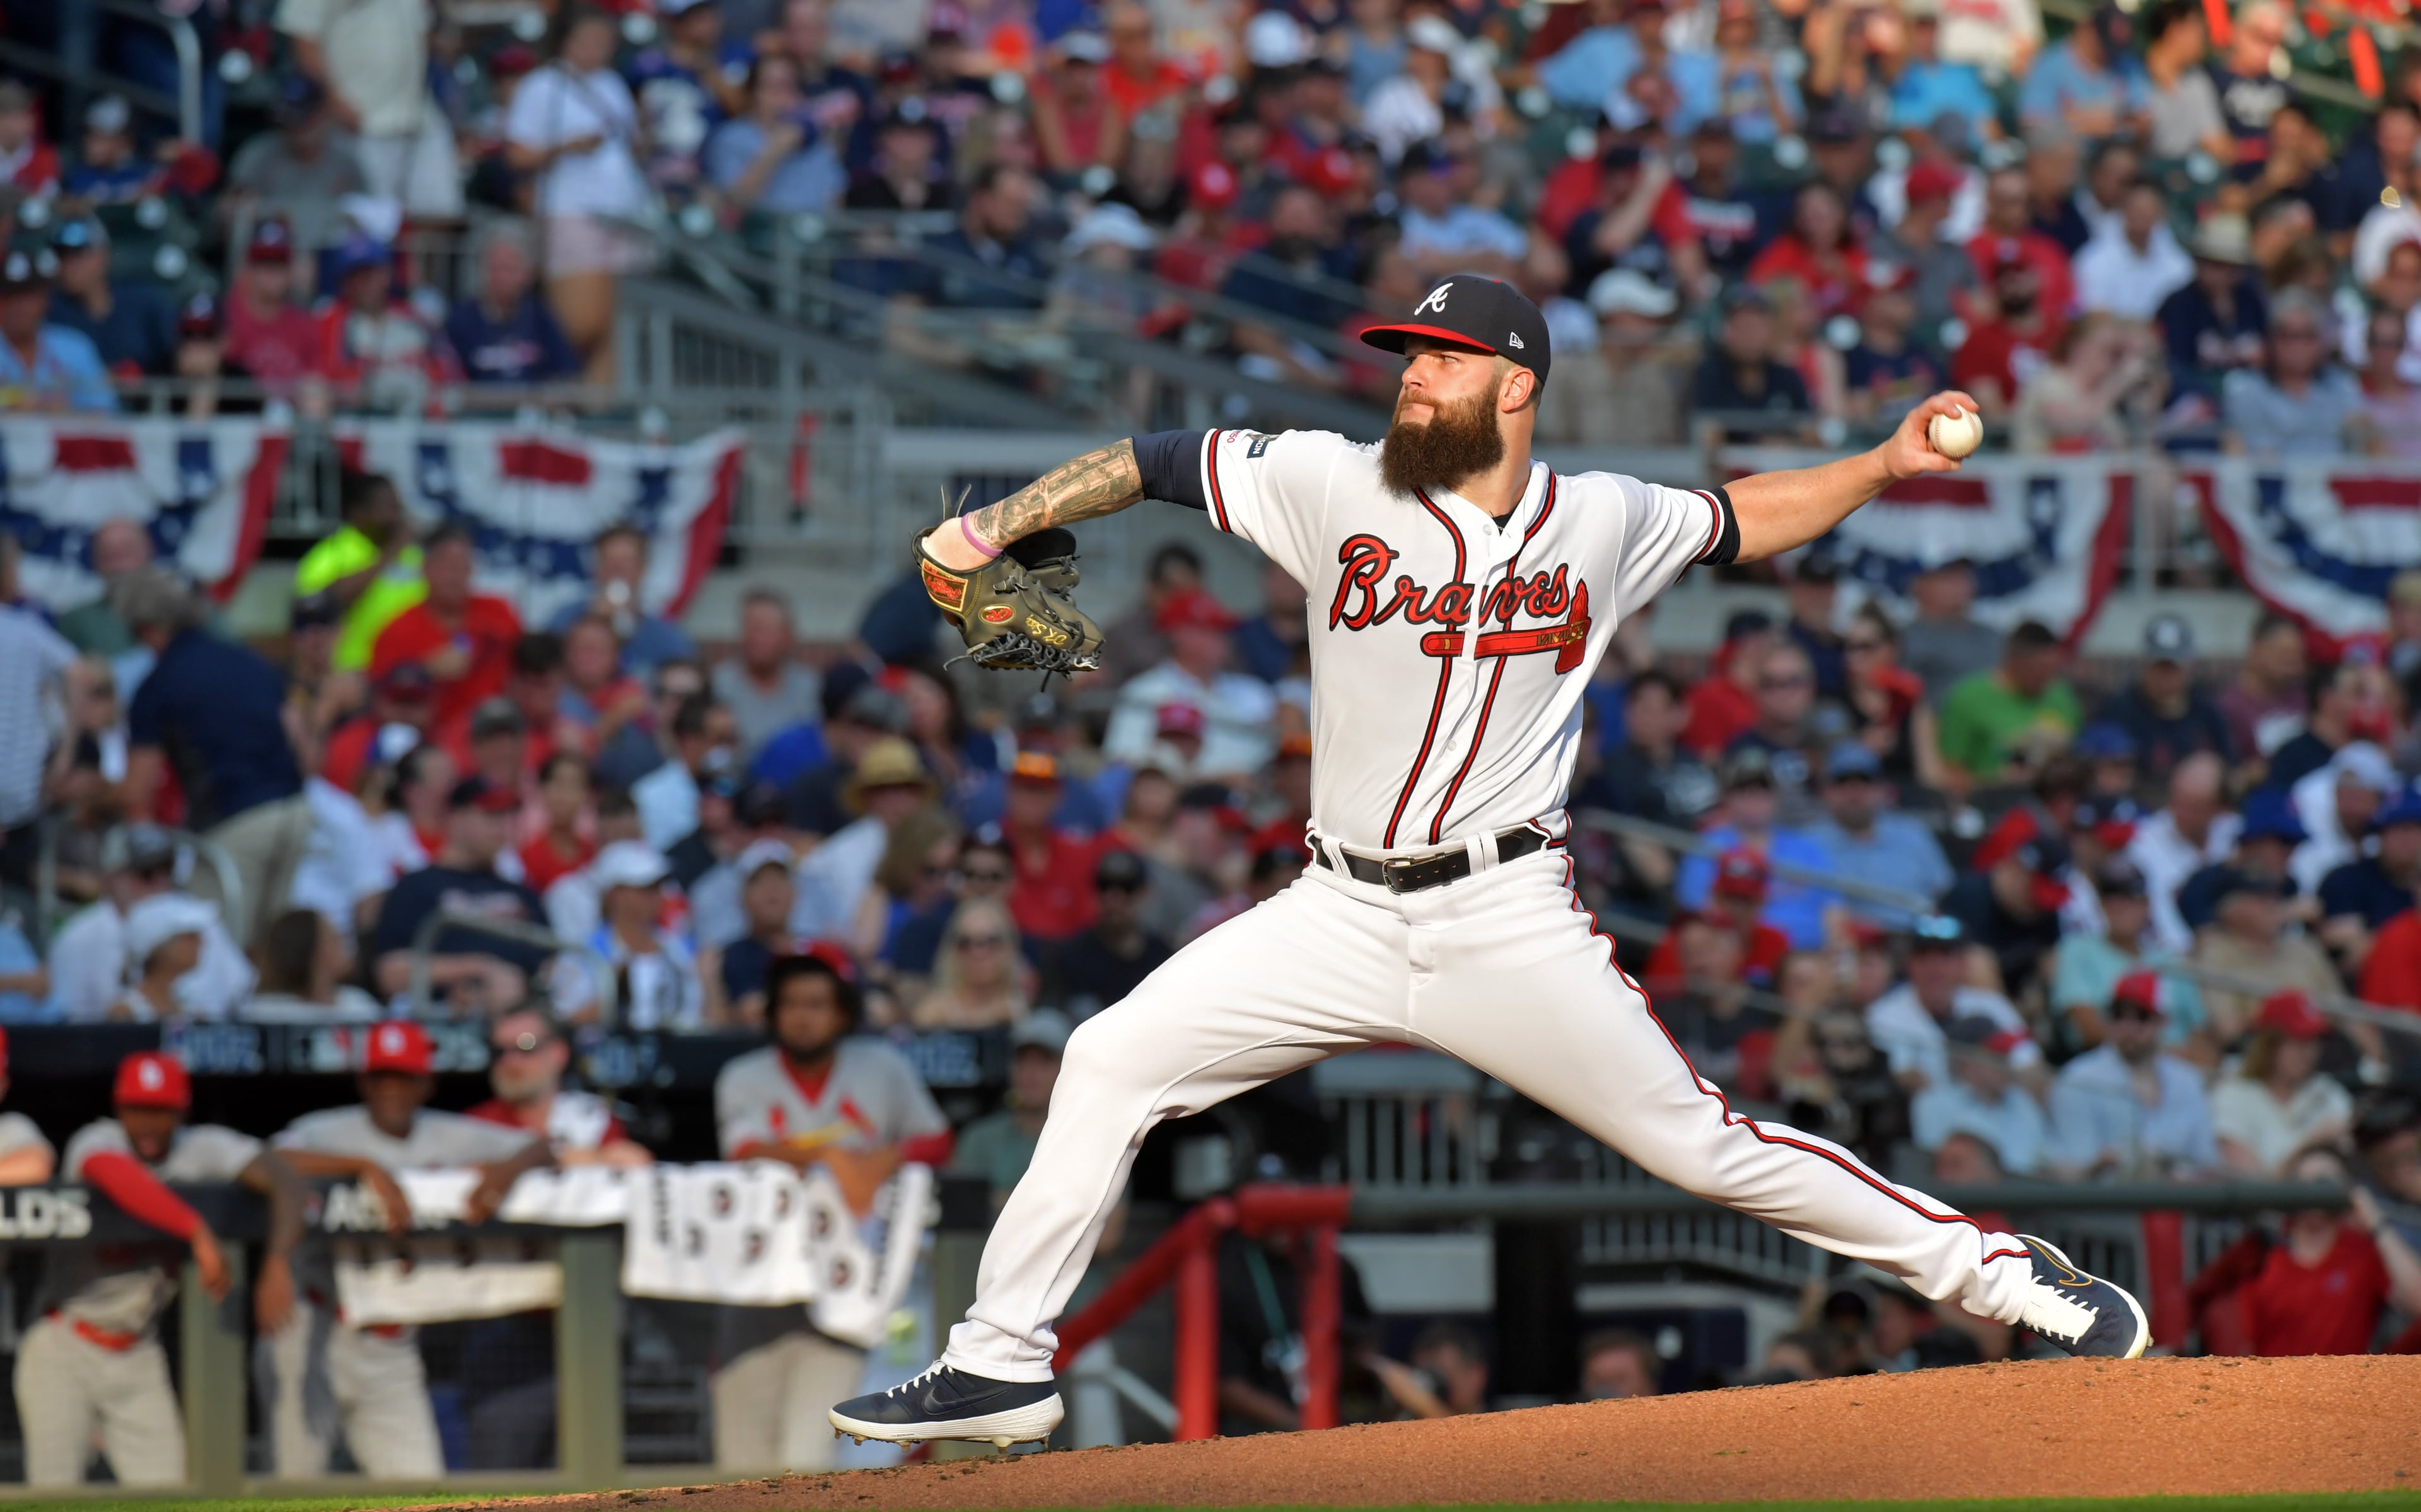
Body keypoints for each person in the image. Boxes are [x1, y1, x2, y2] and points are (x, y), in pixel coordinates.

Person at [832, 275, 2151, 1450]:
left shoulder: (1603, 519)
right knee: (1108, 1056)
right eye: (1408, 354)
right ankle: (998, 1364)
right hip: (1335, 908)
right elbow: (1154, 456)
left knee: (1703, 1145)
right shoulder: (1327, 479)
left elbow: (1738, 516)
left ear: (1516, 384)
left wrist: (1876, 464)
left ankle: (2013, 1277)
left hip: (1507, 912)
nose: (1414, 372)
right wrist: (990, 527)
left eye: (1444, 356)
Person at [268, 1022, 551, 1477]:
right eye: (381, 1077)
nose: (391, 1090)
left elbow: (542, 1148)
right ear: (364, 1081)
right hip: (314, 1329)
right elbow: (267, 1159)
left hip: (390, 1345)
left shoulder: (445, 1134)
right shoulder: (329, 1130)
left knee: (422, 1490)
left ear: (427, 1083)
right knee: (293, 1490)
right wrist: (362, 1166)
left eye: (404, 1077)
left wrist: (508, 1170)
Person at [17, 1053, 310, 1487]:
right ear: (119, 1109)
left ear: (182, 1110)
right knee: (55, 1495)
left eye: (160, 1110)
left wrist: (278, 1260)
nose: (148, 1123)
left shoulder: (202, 1145)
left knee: (169, 1492)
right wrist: (194, 1228)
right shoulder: (97, 1138)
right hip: (65, 1342)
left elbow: (281, 1176)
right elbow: (112, 1173)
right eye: (137, 1109)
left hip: (138, 1349)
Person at [711, 952, 951, 1472]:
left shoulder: (882, 1065)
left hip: (849, 1285)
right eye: (792, 1004)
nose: (803, 1016)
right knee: (742, 1463)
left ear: (843, 1013)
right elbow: (744, 1149)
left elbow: (936, 1138)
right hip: (758, 1288)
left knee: (808, 1458)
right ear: (772, 1013)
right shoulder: (743, 1074)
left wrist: (883, 1158)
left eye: (818, 1004)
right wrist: (831, 1157)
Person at [115, 570, 311, 946]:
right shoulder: (252, 661)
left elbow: (135, 789)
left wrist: (91, 794)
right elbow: (302, 748)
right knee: (270, 950)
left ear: (151, 629)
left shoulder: (160, 684)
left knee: (212, 949)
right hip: (295, 811)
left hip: (236, 818)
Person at [505, 6, 651, 382]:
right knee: (580, 324)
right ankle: (561, 396)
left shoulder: (612, 84)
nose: (598, 48)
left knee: (616, 326)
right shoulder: (542, 86)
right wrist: (569, 146)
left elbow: (631, 145)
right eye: (589, 39)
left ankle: (602, 410)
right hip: (571, 211)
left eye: (605, 41)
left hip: (622, 213)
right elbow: (517, 154)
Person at [2193, 1148, 2421, 1357]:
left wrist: (2374, 1219)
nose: (2315, 1189)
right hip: (2270, 1388)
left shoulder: (2362, 1253)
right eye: (2306, 1182)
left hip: (2339, 1391)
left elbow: (2417, 1301)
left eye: (2325, 1181)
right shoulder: (2261, 1250)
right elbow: (2201, 1304)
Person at [369, 776, 550, 1012]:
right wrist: (479, 968)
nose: (502, 826)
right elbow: (389, 975)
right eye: (491, 815)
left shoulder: (522, 892)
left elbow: (552, 967)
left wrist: (525, 988)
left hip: (522, 1027)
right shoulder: (416, 887)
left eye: (508, 817)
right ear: (455, 817)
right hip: (441, 1021)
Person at [46, 825, 253, 1023]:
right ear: (110, 878)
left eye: (168, 871)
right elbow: (72, 1024)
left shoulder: (200, 921)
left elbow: (241, 996)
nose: (160, 883)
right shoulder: (79, 938)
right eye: (146, 874)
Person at [2046, 971, 2218, 1179]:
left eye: (2142, 1016)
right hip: (2108, 1208)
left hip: (2180, 1206)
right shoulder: (2078, 1080)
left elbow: (2207, 1163)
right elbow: (2071, 1171)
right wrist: (2101, 1164)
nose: (2128, 1027)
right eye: (2119, 1014)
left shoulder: (2188, 1080)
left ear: (2163, 1022)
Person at [369, 524, 523, 733]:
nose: (454, 575)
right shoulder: (397, 631)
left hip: (497, 734)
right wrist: (425, 672)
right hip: (430, 738)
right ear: (425, 568)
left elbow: (529, 670)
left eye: (462, 565)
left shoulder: (499, 612)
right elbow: (377, 702)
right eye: (446, 564)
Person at [1864, 916, 2040, 1093]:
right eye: (1924, 957)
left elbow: (2032, 1066)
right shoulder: (1883, 1016)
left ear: (1964, 963)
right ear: (1909, 964)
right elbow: (1901, 1080)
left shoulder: (1992, 1006)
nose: (1934, 968)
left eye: (1945, 956)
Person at [467, 1007, 651, 1164]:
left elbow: (630, 1168)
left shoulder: (593, 1119)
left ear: (559, 1053)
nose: (511, 1061)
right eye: (499, 1051)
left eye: (526, 1046)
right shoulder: (477, 1125)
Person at [1804, 741, 1952, 928]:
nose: (1854, 793)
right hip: (1841, 945)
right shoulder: (1807, 842)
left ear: (1883, 790)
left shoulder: (1913, 835)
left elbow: (1942, 895)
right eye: (1842, 783)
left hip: (1912, 943)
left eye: (1864, 782)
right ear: (1825, 792)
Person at [558, 841, 704, 1029]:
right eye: (646, 889)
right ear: (615, 895)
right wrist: (614, 991)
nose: (658, 896)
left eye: (659, 887)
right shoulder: (583, 954)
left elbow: (700, 1015)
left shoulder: (681, 948)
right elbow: (567, 1022)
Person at [2211, 990, 2354, 1175]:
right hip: (2267, 1204)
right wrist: (2307, 1146)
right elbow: (2252, 1190)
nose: (2308, 1053)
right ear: (2269, 1044)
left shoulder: (2329, 1092)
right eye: (2298, 1041)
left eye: (2315, 1042)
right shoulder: (2233, 1096)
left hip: (2330, 1200)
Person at [295, 470, 423, 676]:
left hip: (406, 672)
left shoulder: (413, 556)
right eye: (388, 507)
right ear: (358, 514)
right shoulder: (330, 554)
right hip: (350, 671)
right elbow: (328, 604)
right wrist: (390, 553)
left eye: (398, 506)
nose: (396, 515)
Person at [949, 1010, 1075, 1209]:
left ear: (1068, 1069)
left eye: (1044, 1061)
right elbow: (958, 1210)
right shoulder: (979, 1138)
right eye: (1023, 1060)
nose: (1030, 1073)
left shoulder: (1085, 1141)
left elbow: (1109, 1234)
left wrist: (999, 1200)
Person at [1936, 621, 2082, 789]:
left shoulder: (2061, 697)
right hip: (1991, 803)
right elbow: (1949, 771)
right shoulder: (1968, 698)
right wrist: (1997, 782)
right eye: (2039, 669)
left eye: (2053, 669)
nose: (2047, 677)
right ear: (2013, 662)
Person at [546, 524, 698, 678]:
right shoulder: (566, 619)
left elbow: (689, 680)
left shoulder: (664, 636)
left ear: (642, 569)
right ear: (596, 568)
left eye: (626, 562)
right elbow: (542, 669)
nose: (617, 570)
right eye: (609, 562)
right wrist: (592, 621)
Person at [1041, 848, 1173, 1022]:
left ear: (1145, 893)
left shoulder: (1164, 957)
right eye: (1105, 886)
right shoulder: (1071, 957)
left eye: (1127, 888)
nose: (1114, 898)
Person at [2098, 615, 2231, 787]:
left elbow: (2229, 766)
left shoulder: (2207, 713)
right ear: (2145, 664)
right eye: (2159, 666)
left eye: (2173, 668)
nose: (2165, 676)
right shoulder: (2119, 711)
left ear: (2189, 667)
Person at [446, 218, 580, 387]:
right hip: (477, 412)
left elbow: (566, 370)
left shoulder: (539, 317)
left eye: (509, 269)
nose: (501, 278)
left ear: (526, 273)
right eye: (495, 268)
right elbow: (449, 379)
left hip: (533, 410)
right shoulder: (461, 320)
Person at [1910, 1015, 2048, 1176]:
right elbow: (1941, 1170)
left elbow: (2042, 1160)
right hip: (1965, 1199)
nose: (2006, 1064)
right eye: (1997, 1056)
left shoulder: (2022, 1101)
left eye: (2007, 1056)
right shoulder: (1933, 1103)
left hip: (2026, 1195)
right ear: (1967, 1063)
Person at [47, 217, 175, 376]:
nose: (69, 266)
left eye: (78, 255)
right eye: (62, 257)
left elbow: (172, 357)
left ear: (103, 256)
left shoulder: (143, 303)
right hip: (75, 400)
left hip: (144, 399)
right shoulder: (51, 312)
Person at [0, 243, 117, 412]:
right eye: (11, 297)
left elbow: (106, 411)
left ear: (45, 300)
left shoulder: (76, 347)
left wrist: (66, 414)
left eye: (29, 297)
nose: (20, 307)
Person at [712, 588, 820, 764]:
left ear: (788, 635)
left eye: (765, 630)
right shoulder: (720, 684)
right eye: (750, 628)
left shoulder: (809, 687)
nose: (756, 638)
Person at [913, 897, 1030, 1030]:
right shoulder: (932, 1015)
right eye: (965, 943)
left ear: (1008, 947)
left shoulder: (1020, 1012)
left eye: (991, 941)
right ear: (953, 952)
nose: (979, 953)